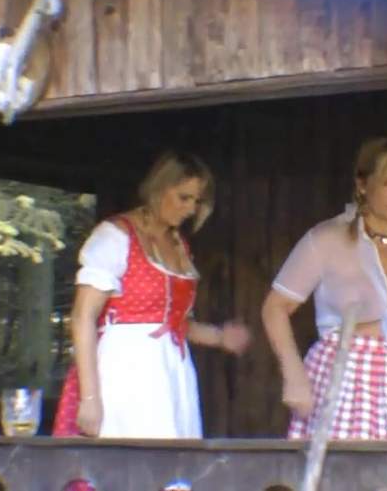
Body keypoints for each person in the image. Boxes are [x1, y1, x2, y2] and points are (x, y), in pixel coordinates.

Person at [261, 136, 387, 441]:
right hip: (347, 372)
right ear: (362, 184)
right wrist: (294, 375)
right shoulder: (326, 239)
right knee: (349, 465)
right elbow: (275, 308)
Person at [53, 151, 250, 438]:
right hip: (126, 367)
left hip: (171, 370)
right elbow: (83, 317)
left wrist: (219, 337)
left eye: (197, 201)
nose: (191, 209)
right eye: (184, 197)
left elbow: (175, 323)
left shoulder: (178, 244)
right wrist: (90, 398)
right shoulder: (115, 236)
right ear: (159, 188)